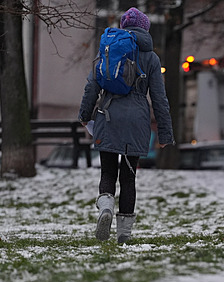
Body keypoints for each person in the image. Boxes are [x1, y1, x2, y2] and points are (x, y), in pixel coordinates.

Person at [78, 7, 174, 244]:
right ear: (145, 29)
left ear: (123, 26)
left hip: (108, 117)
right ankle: (124, 235)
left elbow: (92, 86)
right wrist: (165, 133)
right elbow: (160, 99)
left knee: (108, 171)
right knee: (129, 178)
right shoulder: (151, 57)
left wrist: (84, 114)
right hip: (137, 123)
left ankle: (106, 208)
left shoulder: (108, 51)